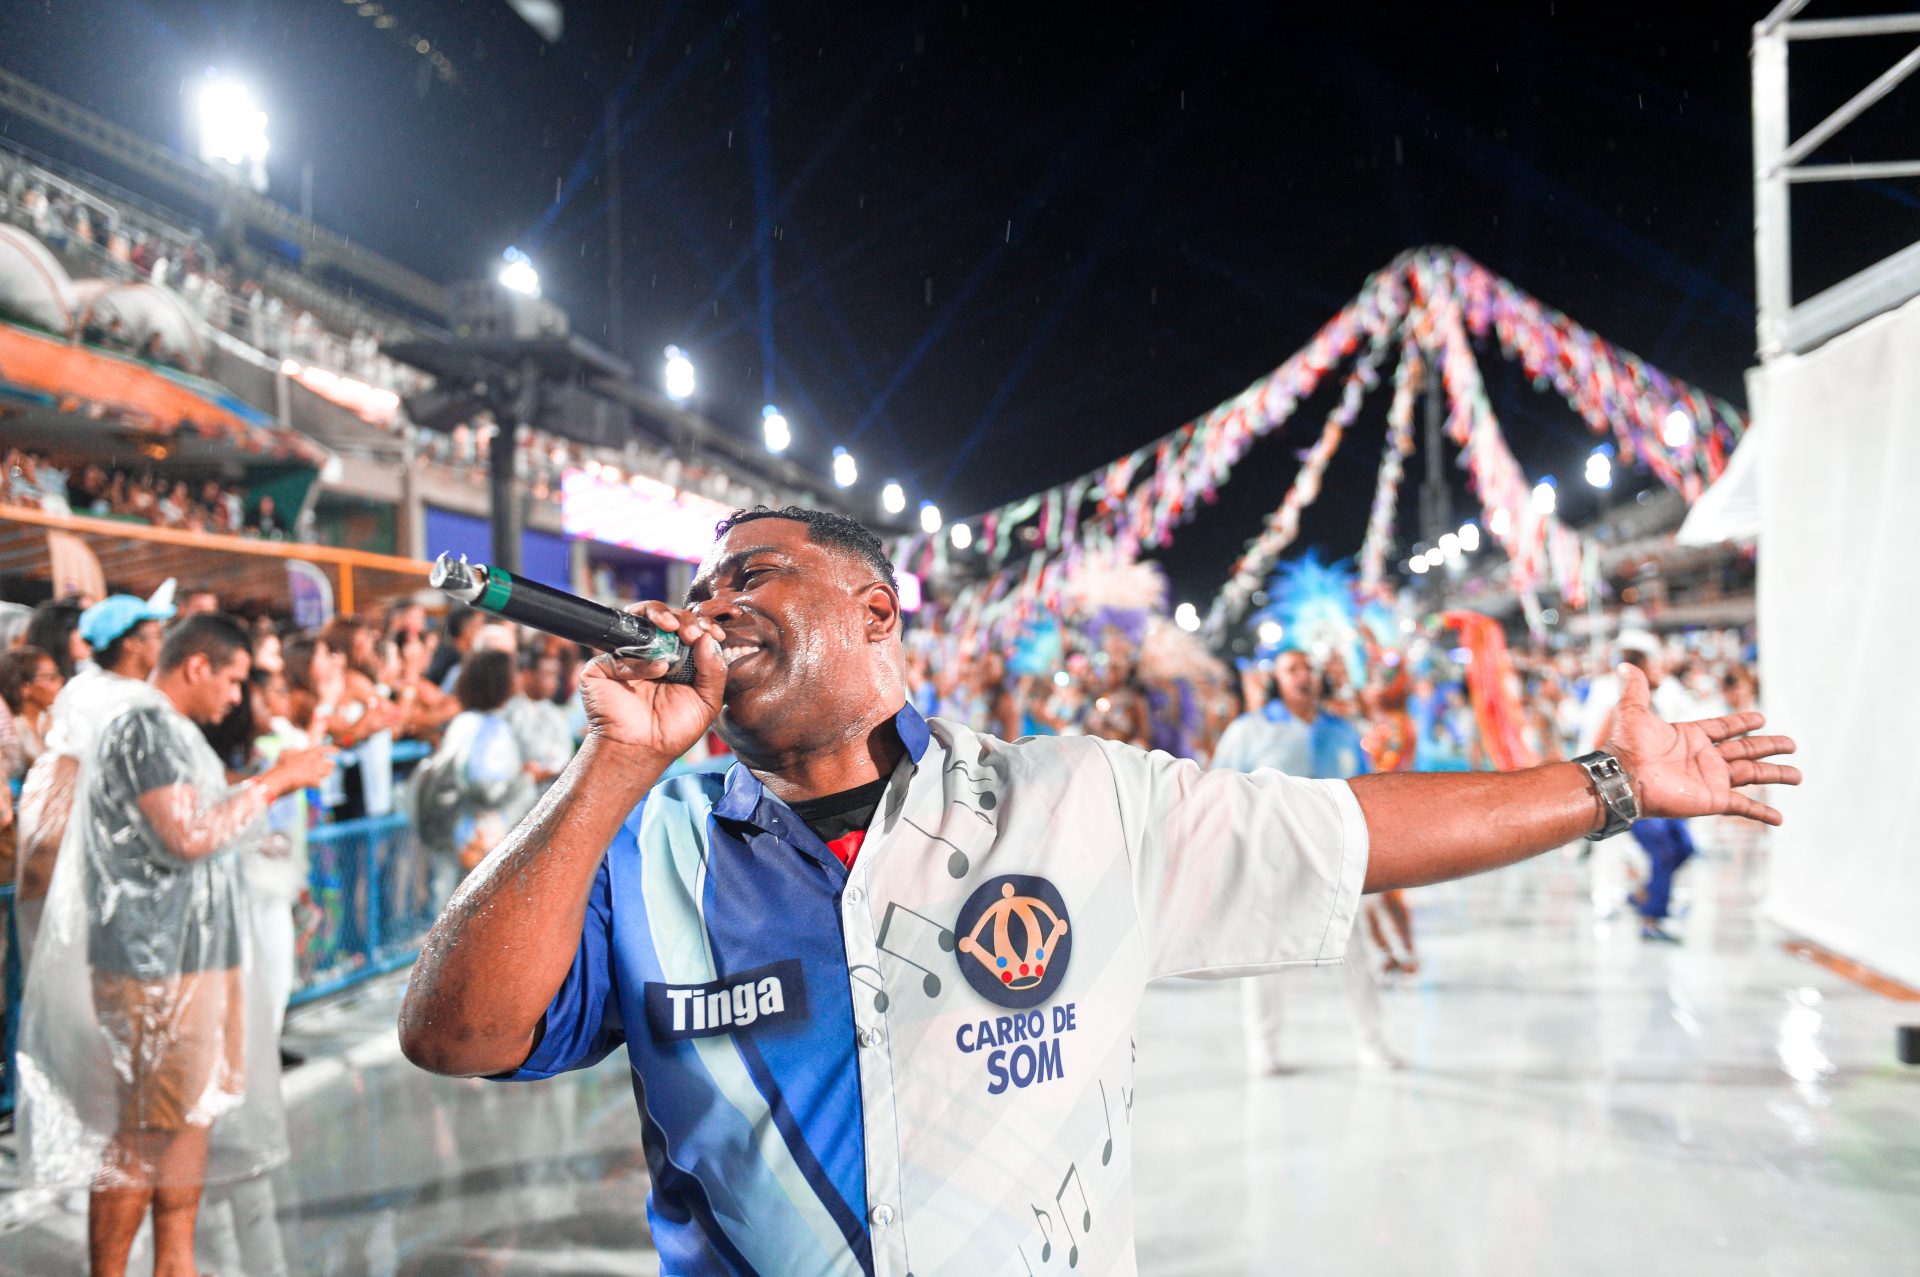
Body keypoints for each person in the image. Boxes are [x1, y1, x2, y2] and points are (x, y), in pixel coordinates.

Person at [398, 505, 1797, 1275]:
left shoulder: (1077, 801)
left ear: (878, 609)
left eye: (754, 572)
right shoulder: (641, 844)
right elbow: (454, 1035)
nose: (709, 605)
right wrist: (606, 771)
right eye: (699, 586)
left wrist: (1604, 783)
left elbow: (1353, 830)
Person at [16, 614, 332, 1277]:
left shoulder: (173, 729)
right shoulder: (145, 725)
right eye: (235, 681)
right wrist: (276, 780)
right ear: (197, 667)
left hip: (193, 958)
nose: (237, 698)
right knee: (145, 1128)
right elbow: (186, 834)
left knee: (193, 1114)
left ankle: (176, 1262)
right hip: (152, 965)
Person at [1215, 648, 1397, 1071]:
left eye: (1308, 668)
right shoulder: (1250, 730)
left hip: (1335, 857)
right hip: (1272, 858)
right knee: (1265, 956)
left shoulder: (1341, 729)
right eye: (1291, 669)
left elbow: (1365, 788)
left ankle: (1372, 1043)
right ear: (1276, 679)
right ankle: (1264, 1047)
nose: (1303, 676)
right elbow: (1219, 788)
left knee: (1354, 953)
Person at [15, 595, 173, 967]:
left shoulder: (79, 690)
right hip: (98, 864)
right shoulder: (132, 701)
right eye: (155, 635)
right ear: (131, 644)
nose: (162, 644)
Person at [410, 649, 537, 910]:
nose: (519, 677)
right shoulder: (488, 727)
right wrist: (527, 778)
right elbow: (487, 787)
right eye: (513, 671)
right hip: (477, 842)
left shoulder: (468, 722)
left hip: (467, 841)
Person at [504, 648, 575, 797]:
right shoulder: (511, 710)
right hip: (519, 794)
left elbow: (566, 752)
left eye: (556, 676)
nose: (554, 683)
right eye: (547, 675)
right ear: (528, 674)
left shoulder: (555, 712)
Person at [0, 645, 63, 781]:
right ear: (24, 687)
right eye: (52, 677)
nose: (61, 681)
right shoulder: (12, 728)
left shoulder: (50, 718)